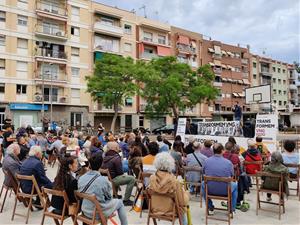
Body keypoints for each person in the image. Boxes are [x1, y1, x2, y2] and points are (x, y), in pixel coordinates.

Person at [78, 152, 128, 225]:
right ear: (101, 164)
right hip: (97, 213)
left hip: (85, 210)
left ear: (89, 164)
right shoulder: (104, 180)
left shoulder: (81, 178)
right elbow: (109, 197)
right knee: (119, 202)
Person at [148, 152, 189, 225]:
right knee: (184, 208)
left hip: (154, 210)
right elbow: (182, 202)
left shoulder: (152, 179)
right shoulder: (174, 181)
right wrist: (186, 194)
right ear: (170, 164)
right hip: (171, 211)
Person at [202, 143, 238, 214]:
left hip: (210, 189)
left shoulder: (206, 161)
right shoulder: (228, 163)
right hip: (225, 190)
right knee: (235, 185)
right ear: (222, 151)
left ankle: (210, 207)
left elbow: (203, 172)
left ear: (213, 151)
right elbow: (232, 175)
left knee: (203, 184)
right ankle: (232, 209)